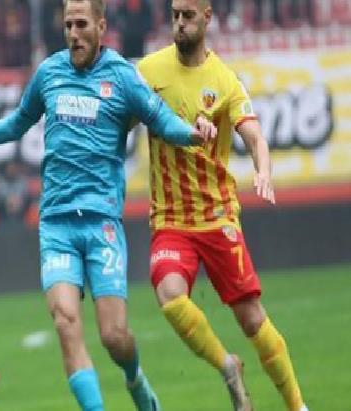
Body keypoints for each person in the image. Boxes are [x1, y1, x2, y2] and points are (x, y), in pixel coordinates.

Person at [0, 1, 217, 409]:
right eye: (67, 25)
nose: (72, 33)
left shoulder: (122, 76)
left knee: (114, 337)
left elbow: (160, 118)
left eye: (81, 24)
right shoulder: (49, 73)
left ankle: (135, 379)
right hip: (56, 225)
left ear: (101, 27)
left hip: (102, 223)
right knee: (66, 322)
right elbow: (15, 124)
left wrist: (192, 134)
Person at [136, 1, 308, 410]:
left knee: (251, 318)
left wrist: (263, 170)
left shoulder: (225, 81)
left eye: (188, 15)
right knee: (170, 295)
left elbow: (255, 137)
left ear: (207, 17)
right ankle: (227, 366)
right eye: (175, 15)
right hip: (171, 220)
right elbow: (121, 121)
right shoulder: (147, 72)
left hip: (217, 217)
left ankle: (297, 406)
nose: (179, 23)